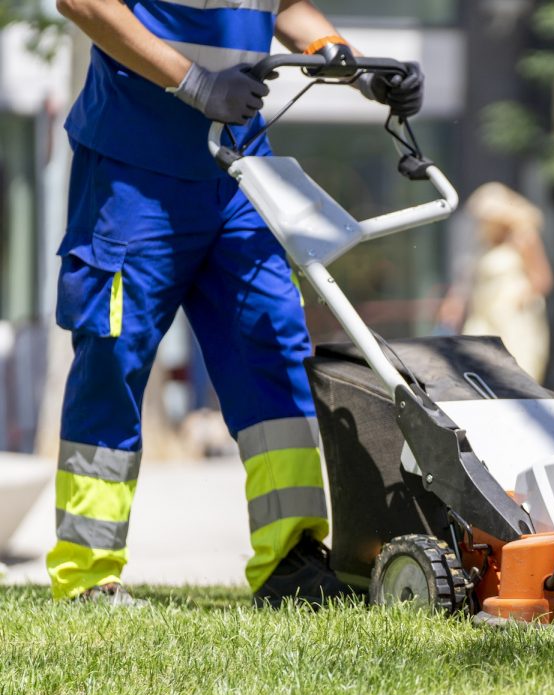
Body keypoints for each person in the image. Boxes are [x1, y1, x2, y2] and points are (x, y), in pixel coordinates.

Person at [47, 0, 423, 606]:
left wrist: (350, 64)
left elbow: (287, 6)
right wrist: (194, 84)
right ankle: (89, 574)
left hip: (240, 170)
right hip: (133, 172)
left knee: (274, 345)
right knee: (112, 360)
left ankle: (290, 562)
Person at [437, 183, 554, 382]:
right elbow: (468, 279)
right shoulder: (483, 243)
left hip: (514, 321)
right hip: (483, 318)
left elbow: (543, 279)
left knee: (518, 378)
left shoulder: (523, 237)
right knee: (475, 372)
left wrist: (521, 298)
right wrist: (454, 303)